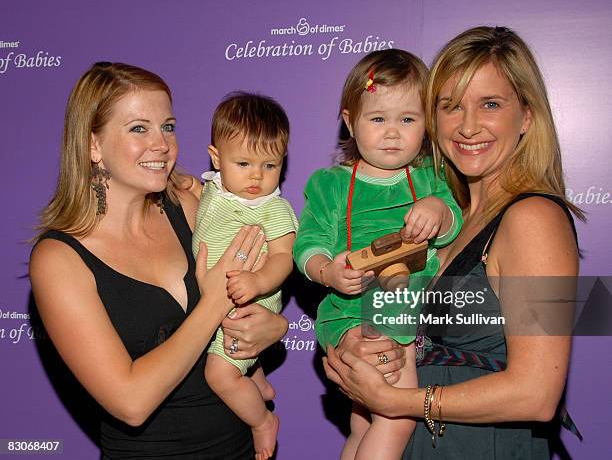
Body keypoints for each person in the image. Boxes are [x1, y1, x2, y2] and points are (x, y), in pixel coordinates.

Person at [323, 26, 583, 459]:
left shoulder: (535, 219)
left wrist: (399, 402)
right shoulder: (446, 222)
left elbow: (537, 394)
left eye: (491, 104)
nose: (467, 126)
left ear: (528, 116)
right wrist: (353, 349)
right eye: (450, 106)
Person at [29, 62, 288, 459]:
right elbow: (130, 403)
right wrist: (214, 302)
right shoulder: (58, 260)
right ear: (93, 145)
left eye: (167, 126)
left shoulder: (193, 205)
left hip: (240, 448)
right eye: (138, 128)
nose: (162, 144)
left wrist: (274, 326)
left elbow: (268, 275)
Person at [294, 49, 463, 460]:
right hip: (353, 308)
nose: (392, 133)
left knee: (364, 422)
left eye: (407, 119)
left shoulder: (431, 179)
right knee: (398, 417)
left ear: (426, 123)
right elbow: (308, 243)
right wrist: (327, 272)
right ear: (350, 122)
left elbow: (454, 224)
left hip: (403, 301)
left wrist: (438, 212)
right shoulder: (330, 184)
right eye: (377, 119)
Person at [192, 92, 297, 460]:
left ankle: (262, 422)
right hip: (215, 303)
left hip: (247, 305)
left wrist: (258, 282)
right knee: (234, 363)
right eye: (244, 163)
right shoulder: (215, 187)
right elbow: (201, 192)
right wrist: (188, 186)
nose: (256, 175)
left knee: (219, 375)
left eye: (269, 166)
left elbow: (284, 258)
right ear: (216, 159)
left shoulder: (273, 208)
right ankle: (257, 381)